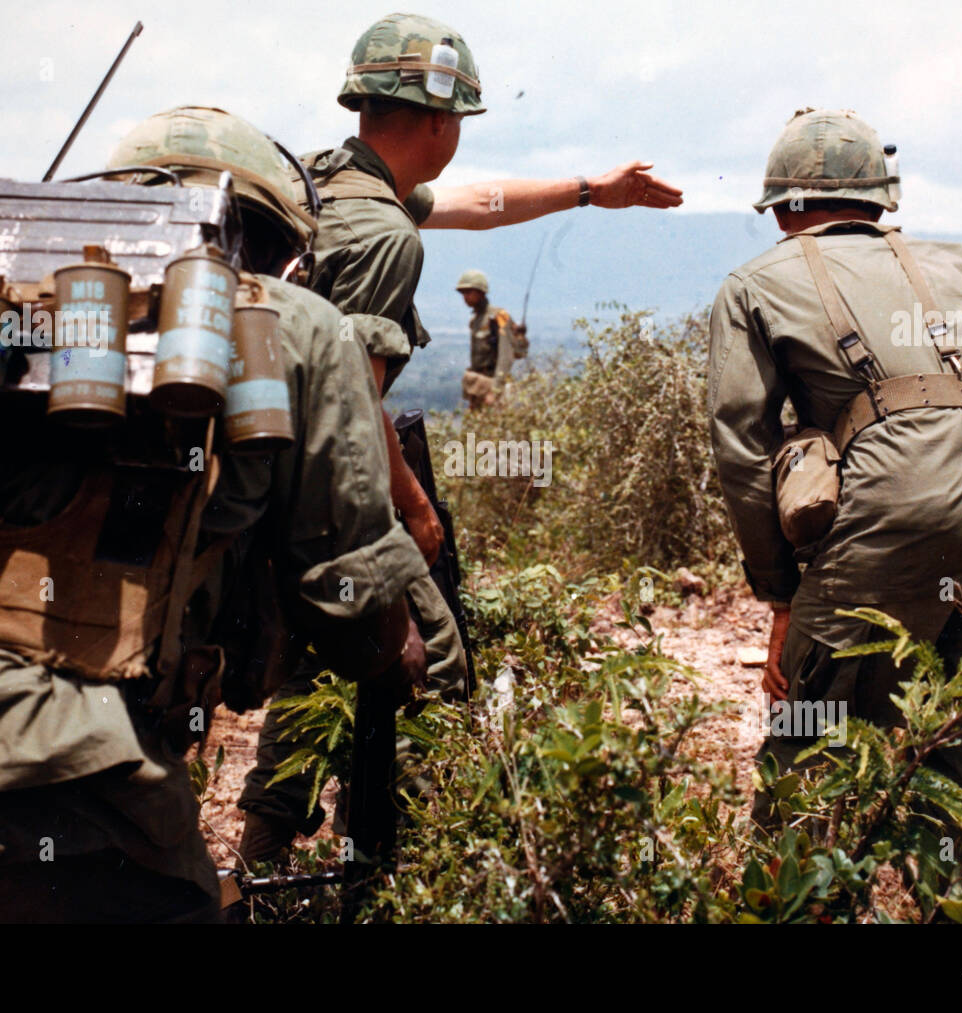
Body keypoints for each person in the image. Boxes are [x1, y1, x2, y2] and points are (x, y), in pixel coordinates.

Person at [0, 106, 426, 922]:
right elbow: (350, 599)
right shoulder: (290, 322)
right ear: (274, 244)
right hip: (66, 792)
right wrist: (399, 655)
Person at [238, 11, 684, 861]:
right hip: (320, 485)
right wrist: (413, 510)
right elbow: (354, 407)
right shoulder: (382, 235)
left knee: (316, 650)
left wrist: (592, 189)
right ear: (442, 122)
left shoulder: (324, 183)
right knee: (429, 656)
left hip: (264, 475)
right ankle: (407, 861)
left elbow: (480, 202)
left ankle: (269, 851)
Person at [707, 108, 962, 837]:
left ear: (782, 208)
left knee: (812, 728)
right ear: (881, 200)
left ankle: (799, 896)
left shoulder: (755, 284)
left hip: (892, 511)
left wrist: (782, 599)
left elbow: (742, 446)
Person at [456, 269, 518, 410]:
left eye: (469, 292)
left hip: (493, 387)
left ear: (481, 292)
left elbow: (505, 357)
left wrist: (494, 391)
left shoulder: (498, 317)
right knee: (471, 431)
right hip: (478, 387)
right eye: (462, 293)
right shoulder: (476, 320)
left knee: (492, 429)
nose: (465, 297)